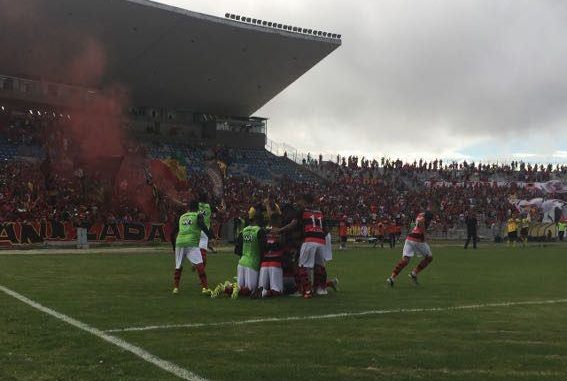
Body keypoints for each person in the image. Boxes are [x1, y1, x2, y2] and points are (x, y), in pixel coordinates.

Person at [386, 205, 435, 287]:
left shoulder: (420, 215)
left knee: (405, 260)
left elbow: (421, 224)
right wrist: (427, 236)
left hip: (409, 238)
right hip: (417, 240)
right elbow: (423, 232)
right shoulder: (423, 221)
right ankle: (414, 273)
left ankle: (392, 277)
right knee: (429, 258)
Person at [172, 200, 212, 294]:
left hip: (179, 242)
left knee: (178, 266)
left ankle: (176, 288)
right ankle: (205, 288)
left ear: (188, 208)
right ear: (197, 208)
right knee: (200, 265)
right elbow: (203, 227)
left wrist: (174, 246)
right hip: (191, 242)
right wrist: (210, 237)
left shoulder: (182, 217)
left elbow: (172, 232)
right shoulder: (198, 215)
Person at [258, 213, 285, 297]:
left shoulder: (265, 232)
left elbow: (261, 246)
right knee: (278, 290)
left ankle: (260, 292)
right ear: (277, 220)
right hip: (275, 263)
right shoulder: (281, 232)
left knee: (261, 287)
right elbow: (282, 245)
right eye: (280, 220)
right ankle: (264, 293)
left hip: (264, 264)